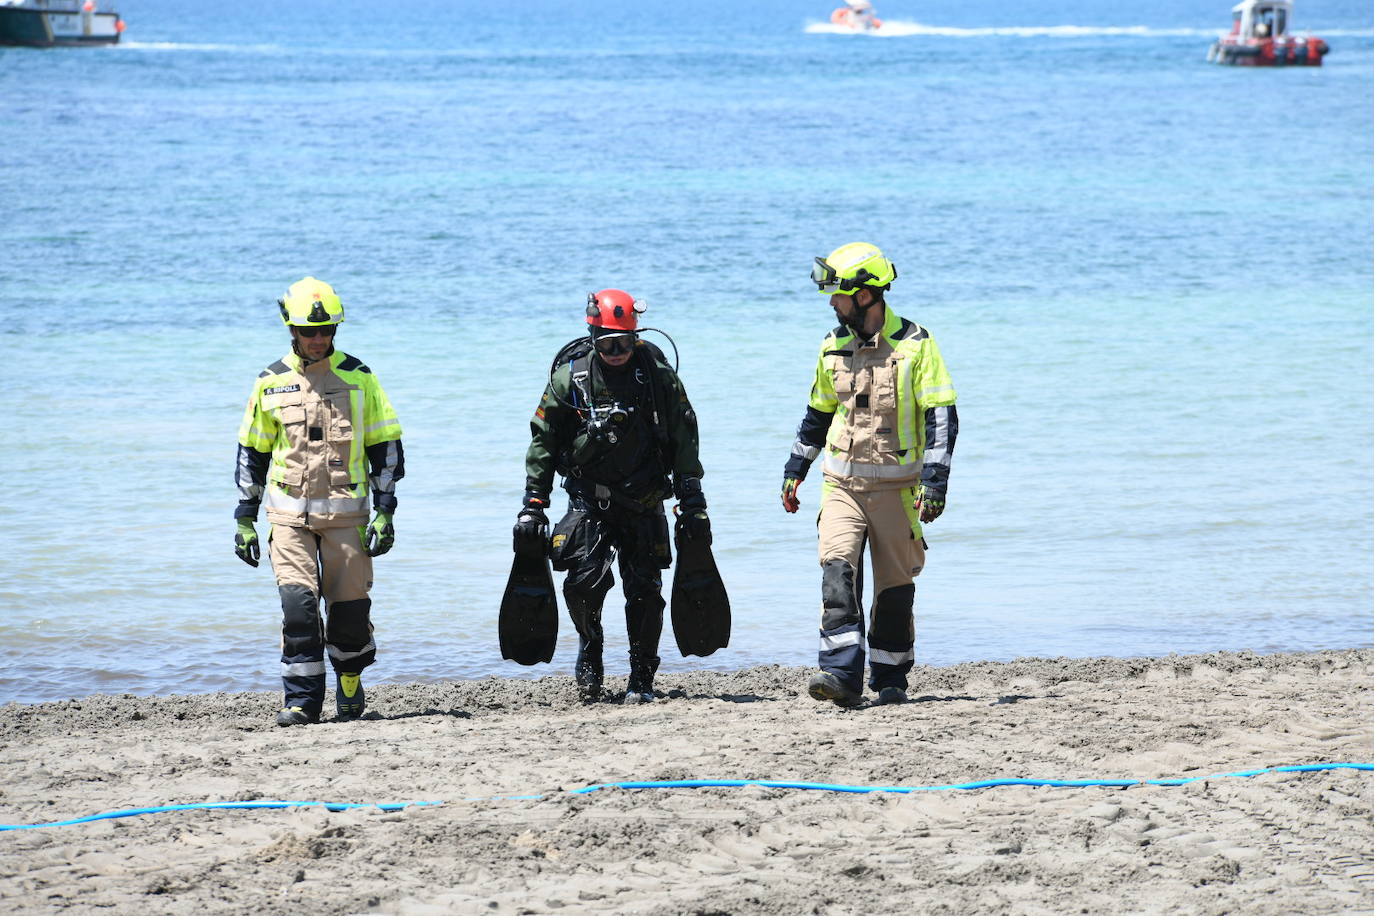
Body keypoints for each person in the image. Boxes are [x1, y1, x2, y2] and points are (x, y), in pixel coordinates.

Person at [781, 243, 958, 708]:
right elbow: (818, 412)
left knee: (894, 591)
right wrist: (795, 468)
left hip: (900, 491)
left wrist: (935, 482)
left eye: (838, 294)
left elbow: (942, 416)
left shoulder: (917, 345)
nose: (831, 303)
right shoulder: (831, 345)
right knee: (837, 575)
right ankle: (839, 676)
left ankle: (890, 678)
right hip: (841, 485)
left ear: (865, 295)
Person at [520, 289, 707, 704]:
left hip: (644, 502)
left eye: (626, 341)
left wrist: (692, 497)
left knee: (645, 592)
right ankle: (591, 646)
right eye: (609, 344)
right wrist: (534, 502)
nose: (619, 351)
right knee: (581, 586)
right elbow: (543, 441)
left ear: (636, 335)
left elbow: (684, 434)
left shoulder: (657, 376)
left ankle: (641, 676)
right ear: (593, 337)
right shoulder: (572, 379)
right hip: (591, 500)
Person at [233, 277, 405, 726]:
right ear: (290, 329)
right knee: (299, 609)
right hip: (288, 516)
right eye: (309, 331)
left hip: (347, 516)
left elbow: (385, 447)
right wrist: (245, 518)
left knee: (348, 613)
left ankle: (350, 677)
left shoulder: (360, 377)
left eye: (326, 329)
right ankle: (302, 702)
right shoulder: (269, 383)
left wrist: (386, 510)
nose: (318, 339)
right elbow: (251, 452)